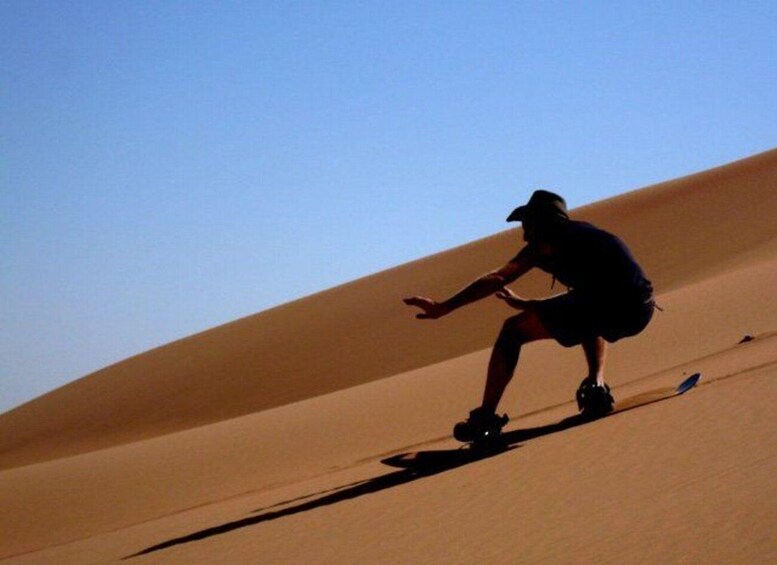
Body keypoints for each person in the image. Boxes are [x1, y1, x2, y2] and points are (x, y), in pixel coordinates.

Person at [403, 190, 655, 441]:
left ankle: (485, 418)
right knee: (585, 319)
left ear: (543, 222)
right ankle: (596, 387)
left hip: (613, 305)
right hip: (640, 309)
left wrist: (444, 307)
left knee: (513, 331)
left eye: (527, 225)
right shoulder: (583, 236)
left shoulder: (546, 244)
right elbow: (589, 297)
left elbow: (498, 278)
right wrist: (533, 304)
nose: (524, 235)